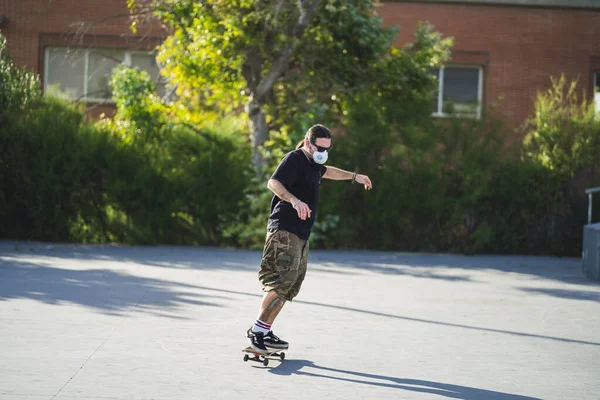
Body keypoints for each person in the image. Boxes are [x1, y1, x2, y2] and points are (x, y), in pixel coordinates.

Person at [246, 124, 373, 353]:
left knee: (290, 284)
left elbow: (331, 171)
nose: (322, 152)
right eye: (319, 148)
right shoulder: (294, 159)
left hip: (301, 233)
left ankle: (264, 331)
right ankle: (257, 331)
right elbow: (273, 183)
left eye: (327, 148)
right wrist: (294, 201)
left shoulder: (316, 165)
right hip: (284, 228)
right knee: (281, 280)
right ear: (307, 143)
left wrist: (355, 176)